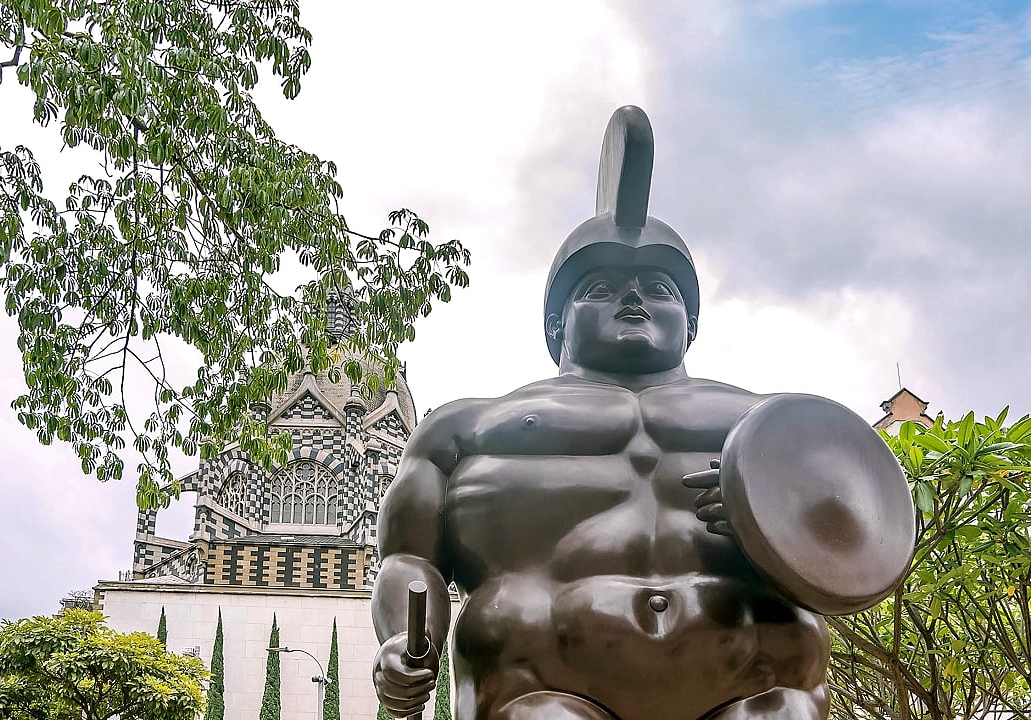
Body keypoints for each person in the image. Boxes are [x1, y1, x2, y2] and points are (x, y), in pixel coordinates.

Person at [371, 107, 906, 720]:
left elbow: (866, 539)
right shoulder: (466, 429)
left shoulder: (778, 430)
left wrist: (775, 514)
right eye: (600, 288)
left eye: (660, 288)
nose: (633, 298)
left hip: (759, 690)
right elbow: (408, 559)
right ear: (557, 325)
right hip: (540, 690)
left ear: (691, 325)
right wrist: (403, 638)